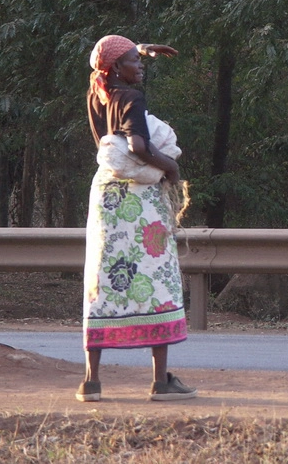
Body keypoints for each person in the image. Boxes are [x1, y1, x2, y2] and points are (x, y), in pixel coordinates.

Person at [76, 35, 197, 402]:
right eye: (134, 61)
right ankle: (161, 382)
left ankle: (92, 382)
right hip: (139, 199)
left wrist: (141, 49)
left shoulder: (97, 93)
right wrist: (171, 166)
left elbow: (108, 59)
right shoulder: (132, 98)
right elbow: (138, 147)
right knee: (157, 280)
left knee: (103, 277)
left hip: (107, 195)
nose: (140, 65)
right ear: (116, 68)